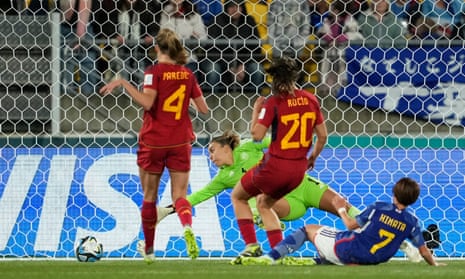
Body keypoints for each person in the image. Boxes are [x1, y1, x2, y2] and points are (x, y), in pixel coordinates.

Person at [156, 130, 423, 264]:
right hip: (287, 202)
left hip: (304, 184)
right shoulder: (223, 178)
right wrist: (166, 210)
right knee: (257, 199)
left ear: (228, 147)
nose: (211, 157)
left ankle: (403, 245)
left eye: (213, 151)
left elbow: (277, 139)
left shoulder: (249, 146)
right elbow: (198, 196)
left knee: (345, 207)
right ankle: (268, 228)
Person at [99, 28, 209, 263]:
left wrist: (123, 83)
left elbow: (148, 103)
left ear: (156, 48)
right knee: (179, 195)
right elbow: (203, 109)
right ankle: (187, 227)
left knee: (150, 197)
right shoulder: (187, 74)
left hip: (154, 141)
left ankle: (149, 250)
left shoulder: (154, 72)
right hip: (181, 141)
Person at [230, 56, 328, 264]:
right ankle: (278, 254)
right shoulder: (311, 100)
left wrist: (256, 111)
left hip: (274, 166)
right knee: (264, 204)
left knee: (238, 196)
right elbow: (323, 136)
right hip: (298, 171)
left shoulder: (273, 102)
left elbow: (256, 136)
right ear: (295, 78)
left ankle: (251, 245)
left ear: (274, 80)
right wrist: (312, 158)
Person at [241, 177, 445, 266]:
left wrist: (339, 207)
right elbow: (426, 251)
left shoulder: (379, 208)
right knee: (366, 234)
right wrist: (433, 265)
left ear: (393, 193)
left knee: (308, 230)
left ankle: (270, 258)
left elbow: (349, 225)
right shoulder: (412, 221)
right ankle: (318, 261)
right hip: (374, 259)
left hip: (350, 250)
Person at [202, 0, 265, 93]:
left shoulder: (249, 21)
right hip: (221, 61)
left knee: (257, 70)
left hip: (244, 62)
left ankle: (255, 103)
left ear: (242, 8)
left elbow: (256, 48)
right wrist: (230, 66)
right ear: (226, 8)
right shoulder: (217, 21)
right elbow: (211, 49)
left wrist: (242, 65)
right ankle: (212, 103)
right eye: (231, 6)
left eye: (238, 6)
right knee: (213, 70)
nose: (235, 9)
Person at [59, 0, 100, 95]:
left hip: (84, 27)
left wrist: (80, 34)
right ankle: (66, 99)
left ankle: (88, 99)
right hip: (62, 26)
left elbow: (85, 5)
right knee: (65, 66)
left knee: (86, 63)